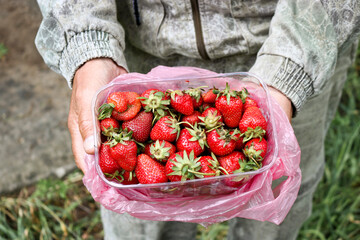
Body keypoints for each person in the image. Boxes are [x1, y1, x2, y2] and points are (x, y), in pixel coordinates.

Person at [35, 0, 359, 239]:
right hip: (143, 51)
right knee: (144, 221)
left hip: (295, 39)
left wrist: (291, 69)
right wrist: (88, 44)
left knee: (271, 207)